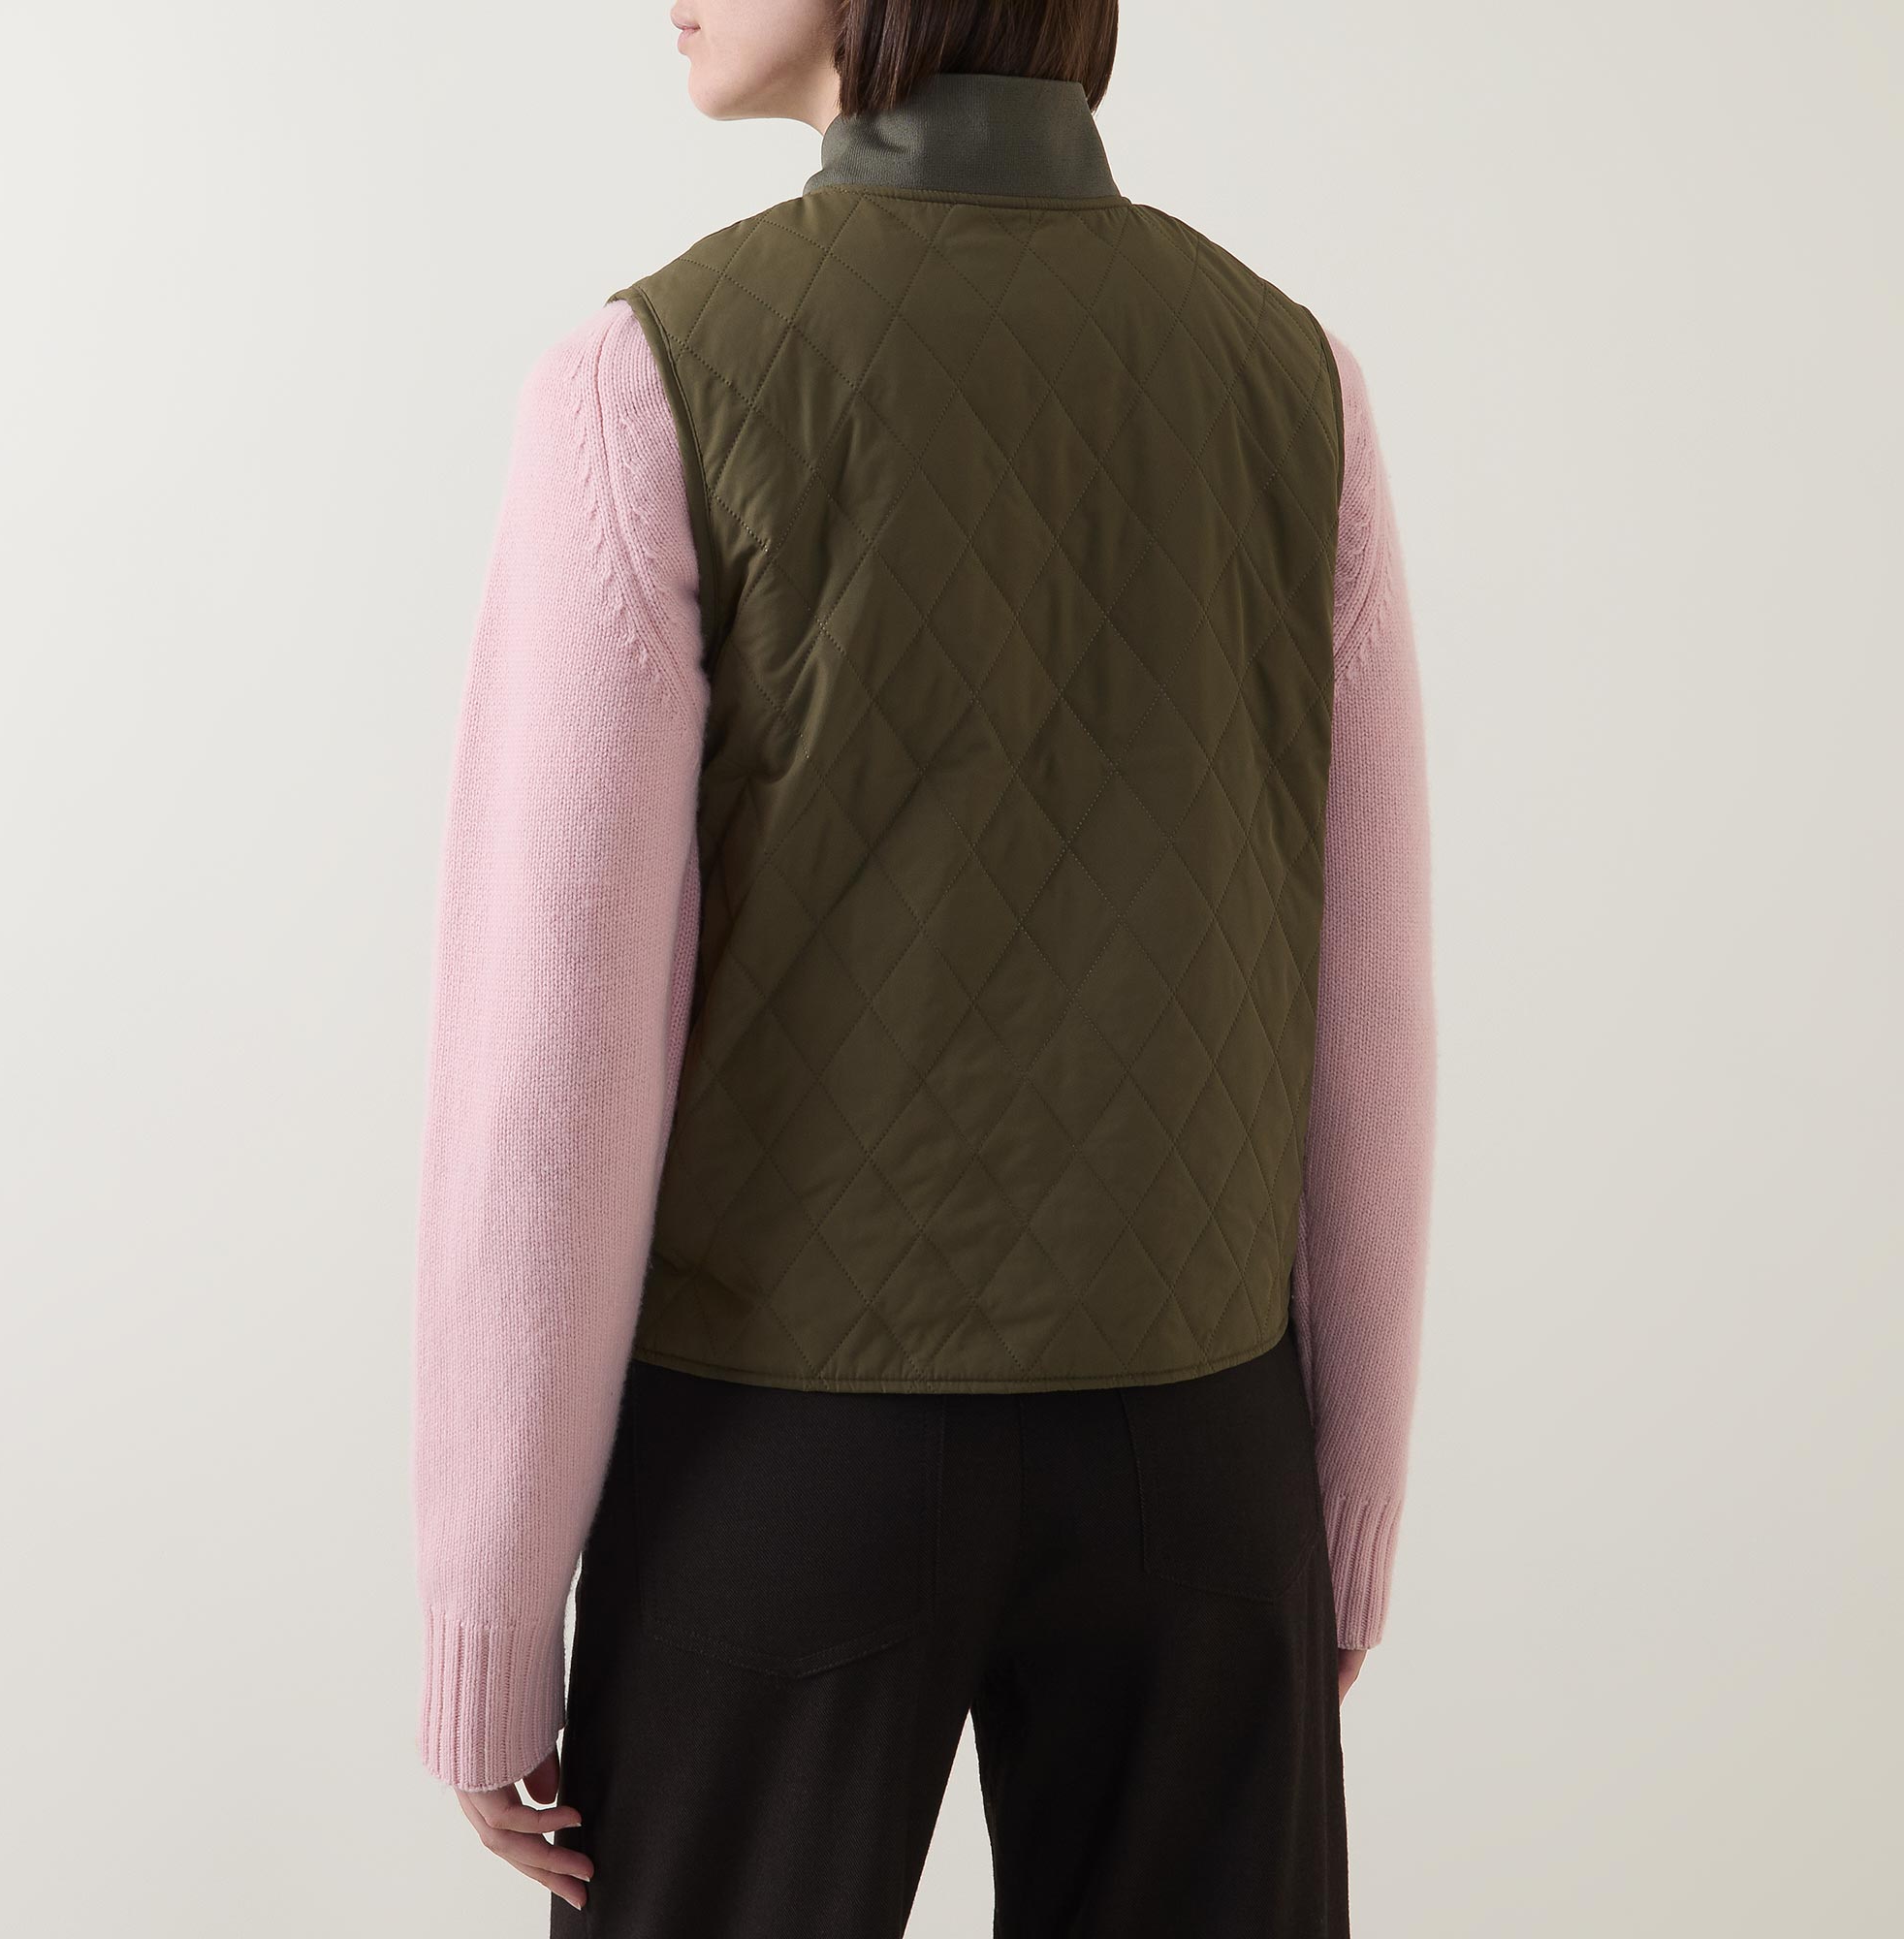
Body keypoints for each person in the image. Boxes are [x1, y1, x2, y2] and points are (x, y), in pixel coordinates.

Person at [411, 1, 1436, 1931]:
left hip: (773, 1465)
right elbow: (1364, 995)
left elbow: (548, 1064)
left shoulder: (652, 379)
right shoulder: (1289, 378)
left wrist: (488, 1611)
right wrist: (1336, 1519)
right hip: (1202, 1456)